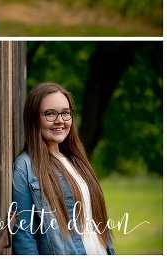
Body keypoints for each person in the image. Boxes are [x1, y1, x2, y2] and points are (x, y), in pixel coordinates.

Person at [12, 82, 115, 254]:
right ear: (33, 118)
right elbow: (24, 237)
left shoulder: (76, 159)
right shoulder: (25, 168)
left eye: (65, 113)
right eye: (50, 114)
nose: (60, 120)